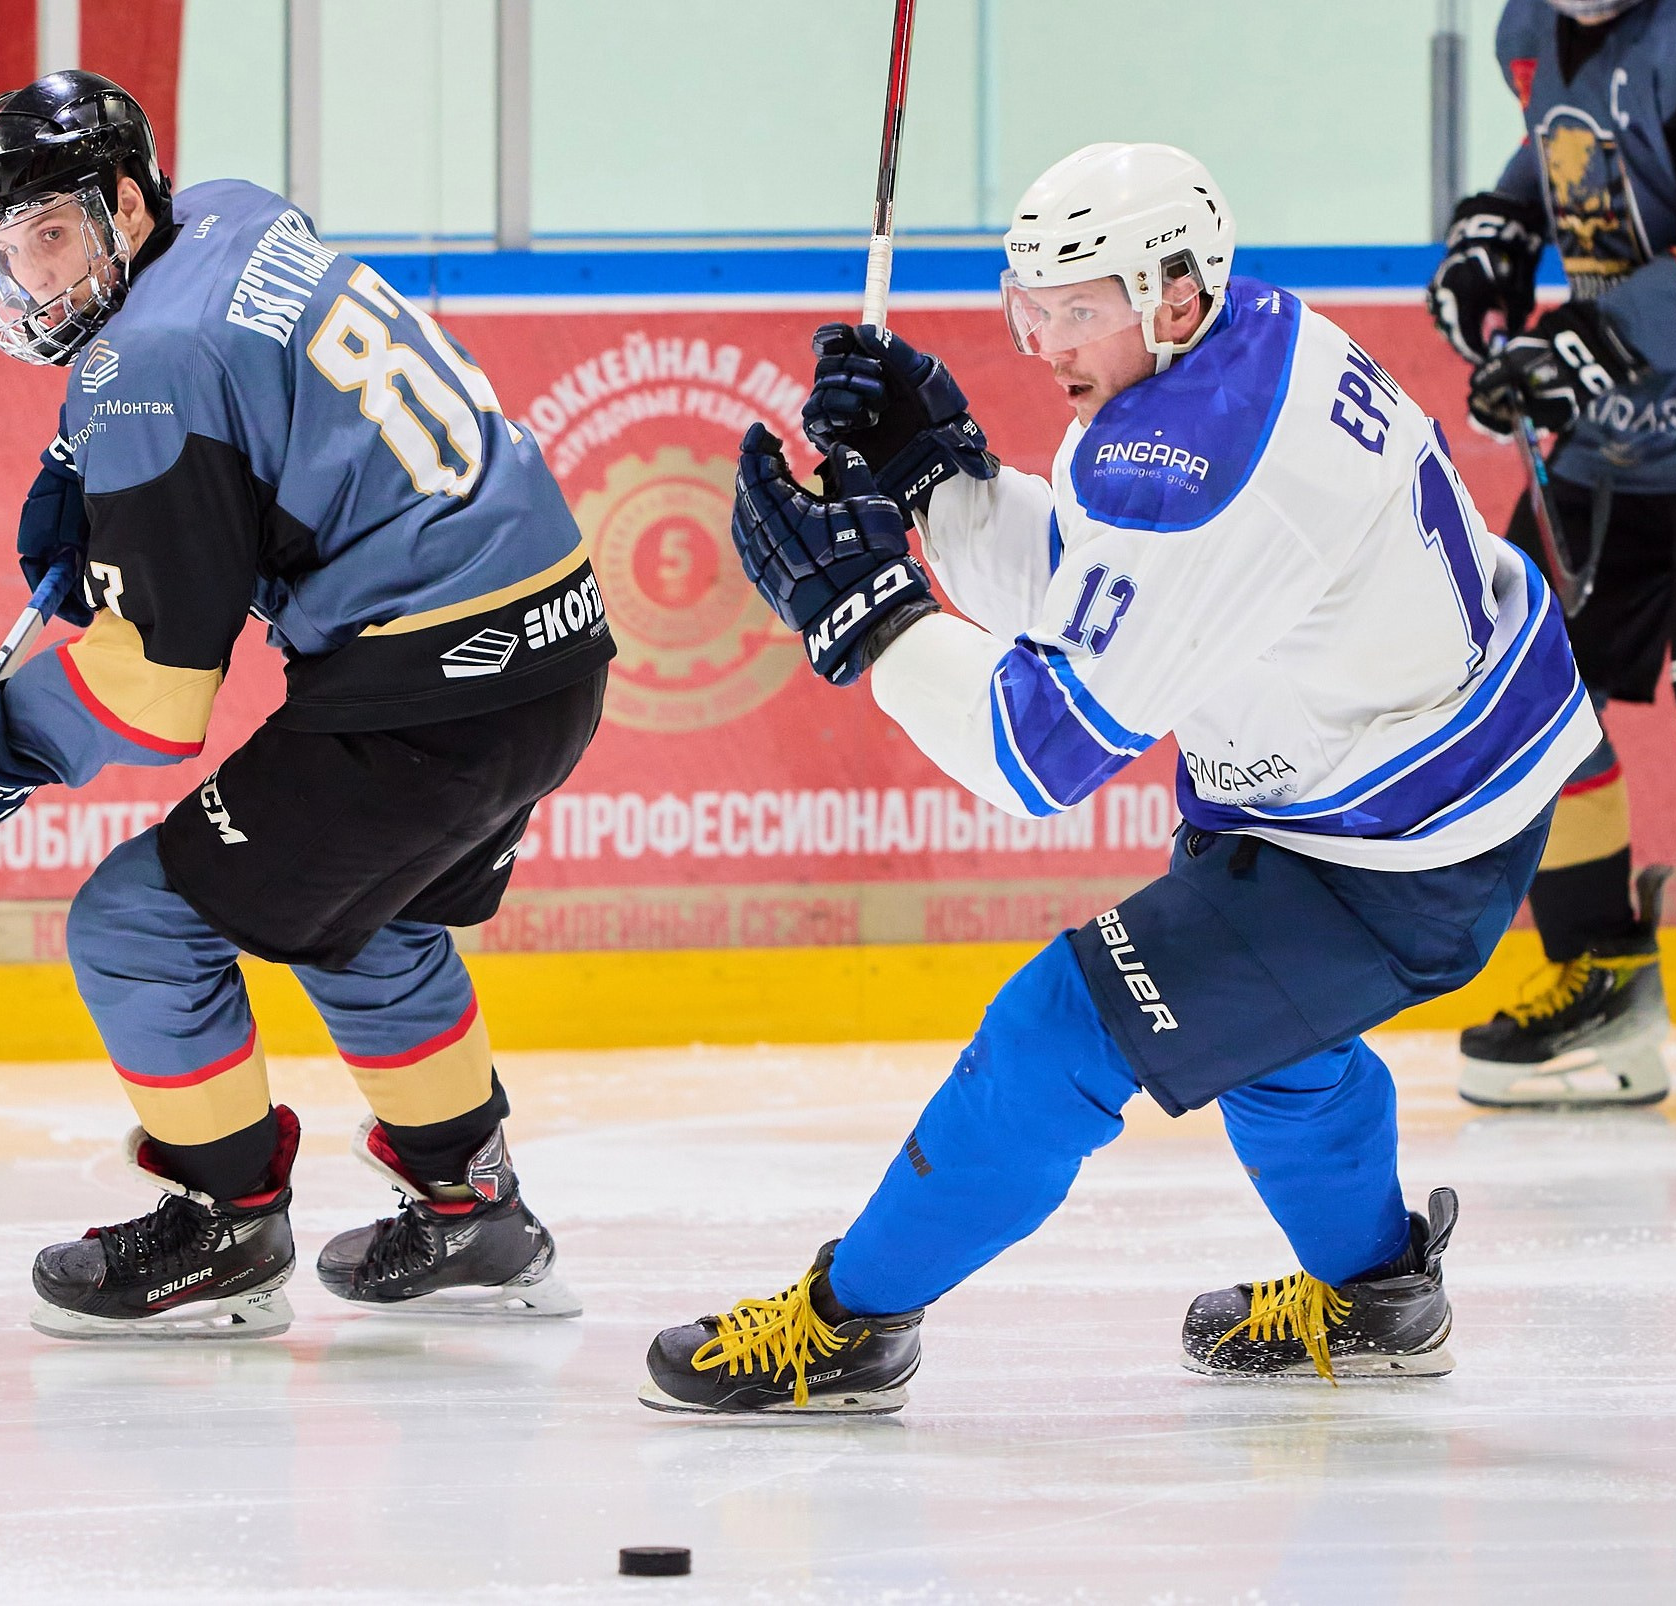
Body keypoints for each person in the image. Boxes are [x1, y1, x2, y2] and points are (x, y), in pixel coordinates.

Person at [640, 142, 1598, 1415]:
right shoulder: (1248, 344)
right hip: (1408, 781)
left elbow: (1037, 755)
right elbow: (1111, 595)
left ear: (1174, 296)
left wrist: (863, 623)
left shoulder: (1193, 472)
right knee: (1277, 1050)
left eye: (1075, 307)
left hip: (1393, 845)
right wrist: (943, 476)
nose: (1041, 341)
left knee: (1059, 1029)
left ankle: (848, 1326)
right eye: (1024, 304)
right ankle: (1377, 1299)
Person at [0, 72, 611, 1340]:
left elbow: (159, 691)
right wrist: (92, 474)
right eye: (5, 252)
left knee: (137, 927)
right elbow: (260, 379)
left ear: (118, 203)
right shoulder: (226, 211)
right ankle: (472, 1212)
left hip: (426, 688)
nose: (32, 280)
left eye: (49, 235)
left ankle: (223, 1227)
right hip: (552, 652)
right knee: (363, 921)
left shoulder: (144, 362)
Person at [1427, 0, 1676, 1116]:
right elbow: (1573, 143)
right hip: (1622, 430)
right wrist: (1499, 231)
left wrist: (1593, 340)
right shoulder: (1530, 28)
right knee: (1526, 699)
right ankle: (1605, 980)